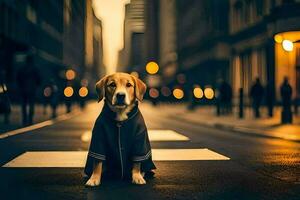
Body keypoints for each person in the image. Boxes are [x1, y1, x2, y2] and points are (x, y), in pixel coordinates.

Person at [16, 56, 41, 126]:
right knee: (31, 104)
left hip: (23, 89)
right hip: (32, 89)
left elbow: (18, 78)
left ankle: (24, 119)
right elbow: (39, 79)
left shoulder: (22, 69)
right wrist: (36, 86)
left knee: (24, 105)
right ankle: (30, 120)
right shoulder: (35, 69)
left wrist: (20, 86)